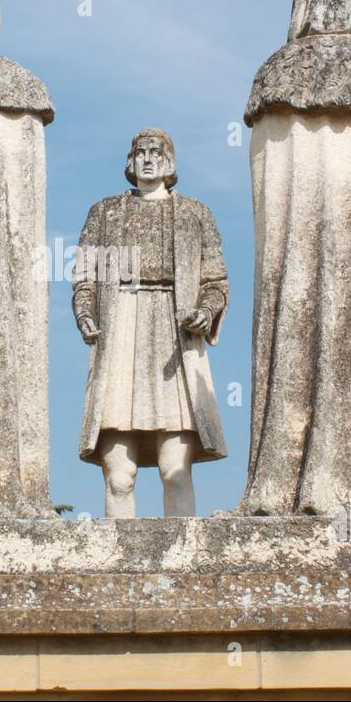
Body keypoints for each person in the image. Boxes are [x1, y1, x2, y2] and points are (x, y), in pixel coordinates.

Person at [72, 127, 228, 517]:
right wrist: (86, 313)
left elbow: (216, 282)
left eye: (155, 152)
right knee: (118, 474)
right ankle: (117, 563)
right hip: (120, 330)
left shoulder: (195, 214)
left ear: (169, 162)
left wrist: (205, 313)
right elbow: (84, 277)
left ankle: (180, 563)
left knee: (174, 469)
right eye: (139, 152)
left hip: (175, 336)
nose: (146, 158)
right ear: (130, 161)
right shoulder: (105, 212)